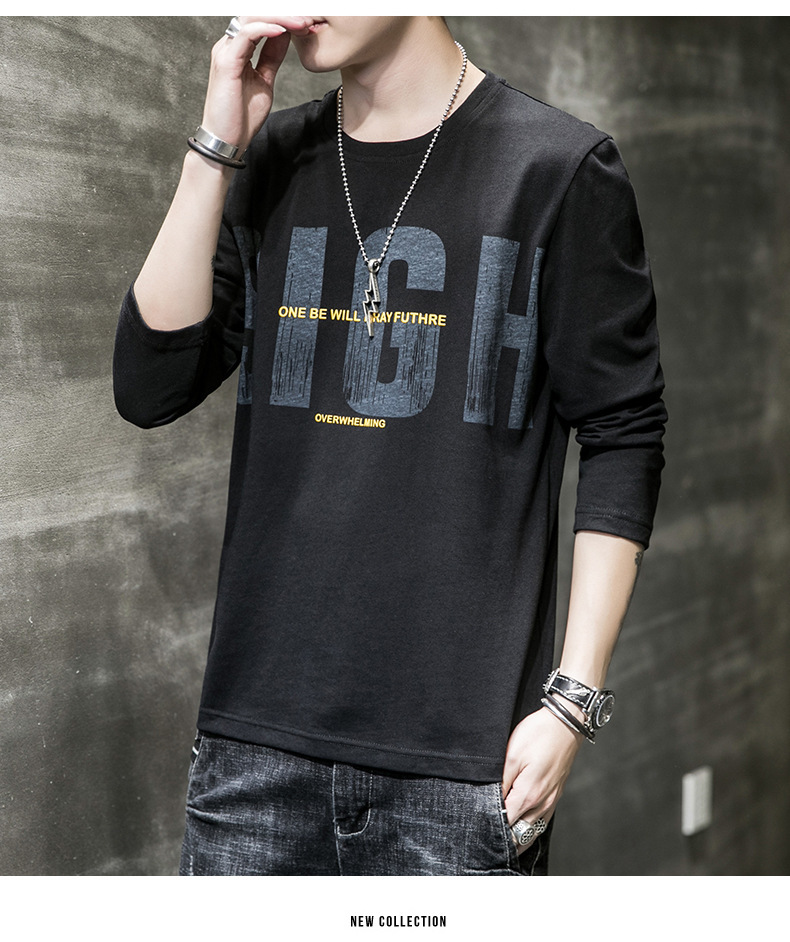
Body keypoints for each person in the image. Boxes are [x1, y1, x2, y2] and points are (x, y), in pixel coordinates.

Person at [113, 15, 666, 876]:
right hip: (254, 753)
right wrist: (216, 149)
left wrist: (573, 700)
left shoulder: (556, 168)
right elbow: (150, 387)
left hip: (464, 768)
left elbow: (623, 431)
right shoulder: (273, 158)